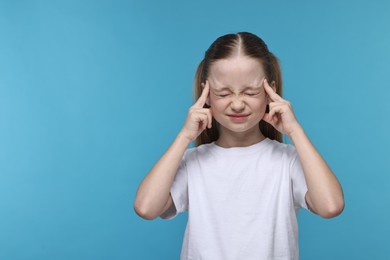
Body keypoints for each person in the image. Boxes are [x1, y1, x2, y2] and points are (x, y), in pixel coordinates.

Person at [134, 32, 344, 259]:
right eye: (223, 93)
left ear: (270, 91)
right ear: (207, 94)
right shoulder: (194, 161)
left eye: (251, 92)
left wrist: (296, 132)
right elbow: (146, 207)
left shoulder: (288, 161)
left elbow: (330, 206)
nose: (236, 104)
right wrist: (184, 136)